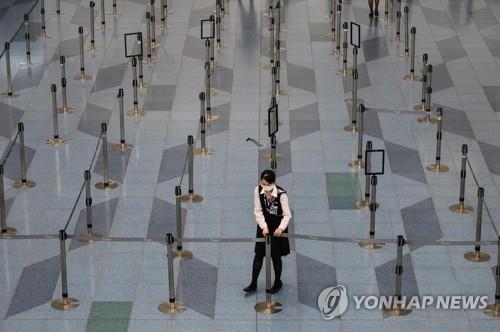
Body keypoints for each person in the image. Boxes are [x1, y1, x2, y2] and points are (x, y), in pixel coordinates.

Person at [243, 169, 292, 294]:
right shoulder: (257, 190)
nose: (265, 187)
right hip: (264, 226)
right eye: (263, 184)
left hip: (277, 228)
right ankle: (253, 283)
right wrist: (263, 226)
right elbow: (257, 210)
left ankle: (277, 282)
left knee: (276, 256)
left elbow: (287, 215)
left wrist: (281, 228)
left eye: (268, 185)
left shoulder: (282, 194)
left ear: (274, 183)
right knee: (259, 254)